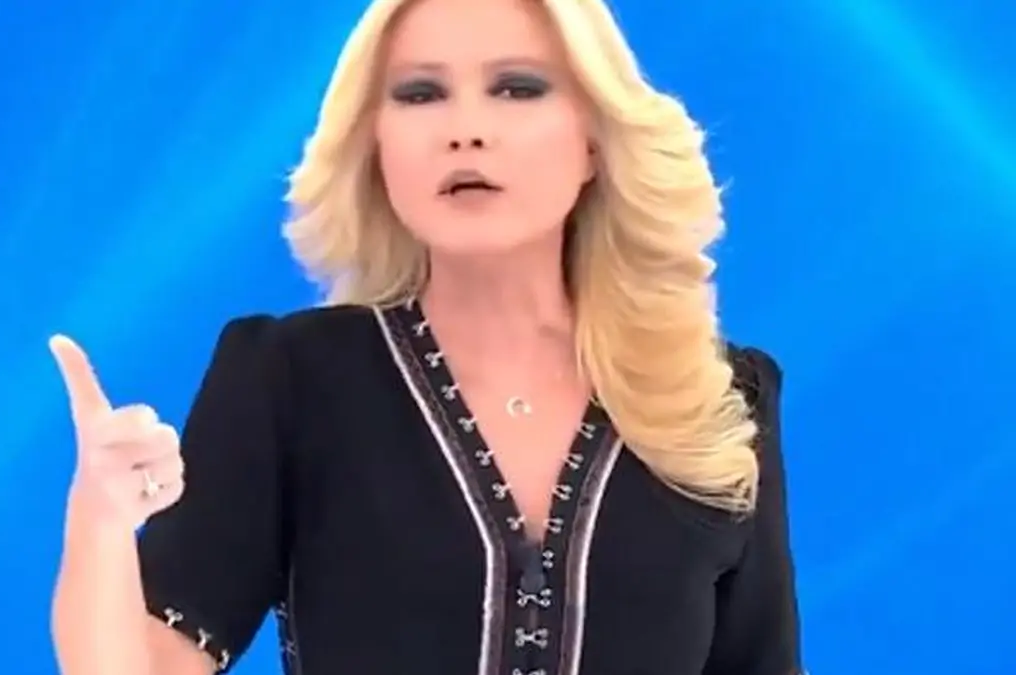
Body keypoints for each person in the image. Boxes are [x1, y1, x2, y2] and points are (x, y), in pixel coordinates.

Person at [48, 0, 803, 673]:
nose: (464, 131)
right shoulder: (293, 378)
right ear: (376, 146)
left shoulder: (716, 398)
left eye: (517, 87)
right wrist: (101, 518)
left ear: (594, 142)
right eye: (420, 94)